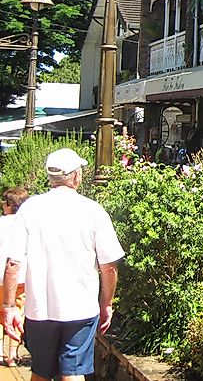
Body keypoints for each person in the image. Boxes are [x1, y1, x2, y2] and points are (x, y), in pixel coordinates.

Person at [2, 148, 125, 381]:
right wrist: (106, 303)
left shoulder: (30, 209)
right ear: (76, 176)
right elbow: (109, 266)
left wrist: (9, 307)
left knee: (39, 372)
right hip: (80, 308)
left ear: (51, 177)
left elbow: (13, 263)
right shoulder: (93, 211)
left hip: (39, 309)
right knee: (74, 373)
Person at [0, 187, 27, 367]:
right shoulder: (26, 224)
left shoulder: (1, 223)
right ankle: (12, 354)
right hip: (20, 278)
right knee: (17, 314)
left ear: (9, 204)